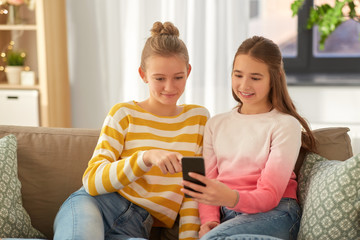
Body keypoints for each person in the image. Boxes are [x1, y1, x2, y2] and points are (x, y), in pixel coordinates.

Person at [53, 21, 209, 240]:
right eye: (159, 78)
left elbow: (194, 193)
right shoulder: (124, 114)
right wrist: (144, 158)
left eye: (178, 77)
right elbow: (92, 180)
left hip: (137, 226)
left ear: (188, 71)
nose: (170, 87)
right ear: (143, 74)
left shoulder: (198, 119)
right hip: (94, 205)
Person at [181, 36, 317, 240]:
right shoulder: (215, 124)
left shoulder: (285, 125)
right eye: (238, 75)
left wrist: (229, 197)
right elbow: (207, 182)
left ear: (275, 77)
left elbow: (270, 195)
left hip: (276, 213)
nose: (244, 85)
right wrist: (210, 221)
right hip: (230, 216)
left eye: (255, 78)